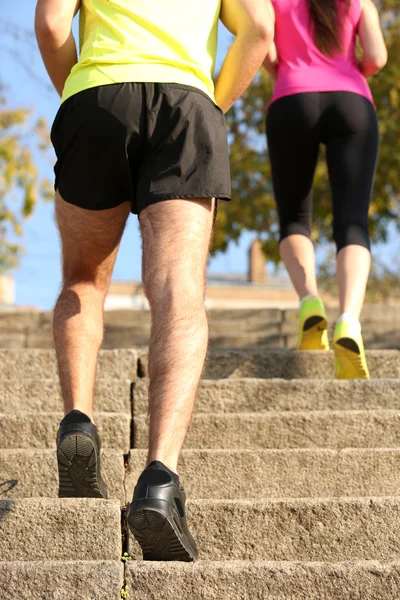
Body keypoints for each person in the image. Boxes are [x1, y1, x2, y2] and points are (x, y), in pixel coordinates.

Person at [35, 0, 273, 562]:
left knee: (82, 282)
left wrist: (79, 92)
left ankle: (79, 420)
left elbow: (49, 23)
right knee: (178, 290)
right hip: (185, 103)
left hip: (97, 96)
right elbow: (260, 30)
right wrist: (213, 104)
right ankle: (160, 480)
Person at [263, 0, 387, 378]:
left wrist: (286, 71)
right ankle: (348, 320)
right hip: (352, 100)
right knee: (352, 224)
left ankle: (310, 302)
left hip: (291, 99)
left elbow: (266, 48)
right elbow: (377, 57)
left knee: (294, 219)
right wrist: (351, 70)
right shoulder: (359, 1)